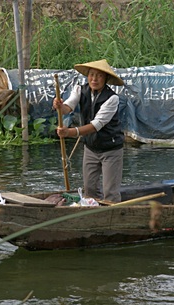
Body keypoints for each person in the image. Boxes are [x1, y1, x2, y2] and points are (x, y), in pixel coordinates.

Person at [53, 59, 125, 203]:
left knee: (110, 192)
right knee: (89, 190)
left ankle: (113, 216)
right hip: (91, 148)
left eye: (99, 76)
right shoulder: (80, 89)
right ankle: (91, 214)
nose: (94, 79)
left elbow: (96, 125)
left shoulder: (112, 98)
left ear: (105, 79)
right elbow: (69, 105)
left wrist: (70, 132)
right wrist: (60, 106)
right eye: (91, 75)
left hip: (111, 149)